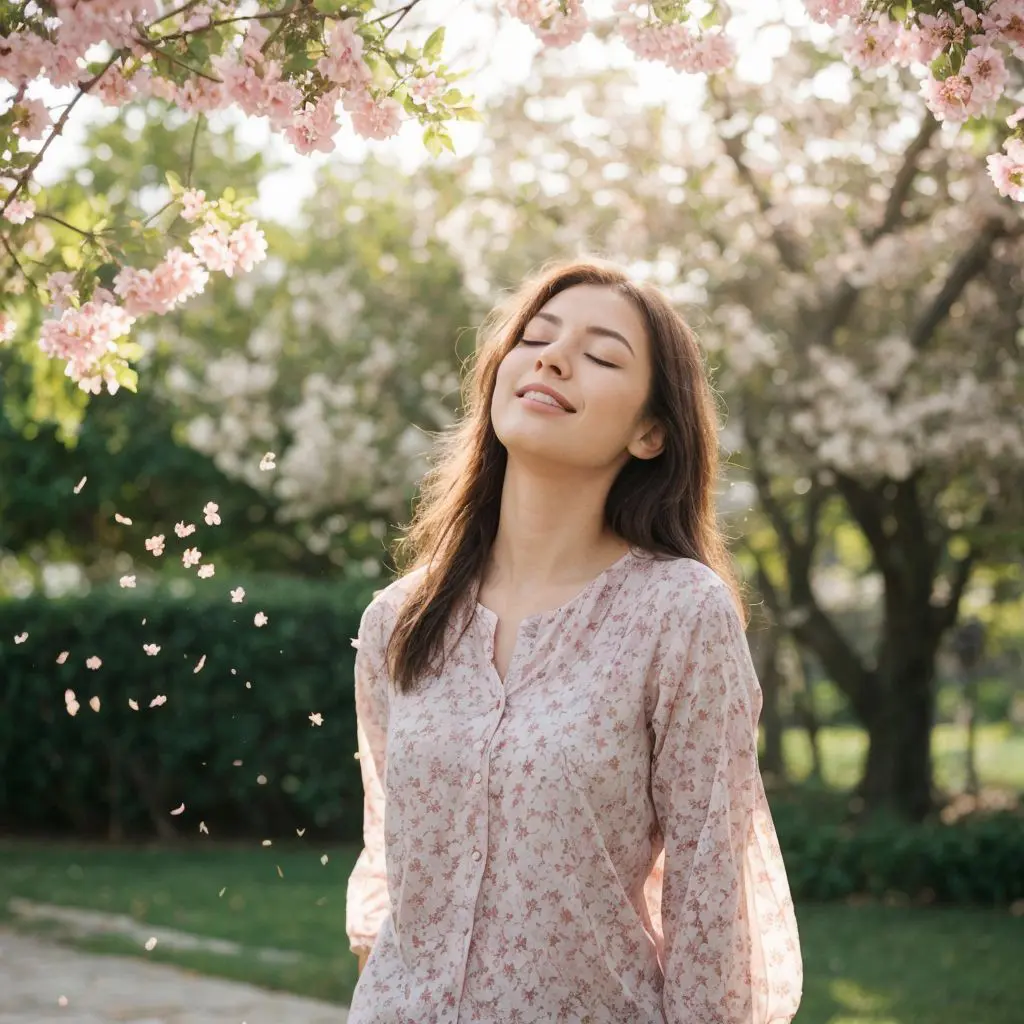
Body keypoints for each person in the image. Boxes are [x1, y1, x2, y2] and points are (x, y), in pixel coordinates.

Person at [345, 257, 803, 1023]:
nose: (553, 358)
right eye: (536, 338)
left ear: (651, 431)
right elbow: (389, 857)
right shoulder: (400, 618)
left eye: (600, 355)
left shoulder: (679, 613)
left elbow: (711, 891)